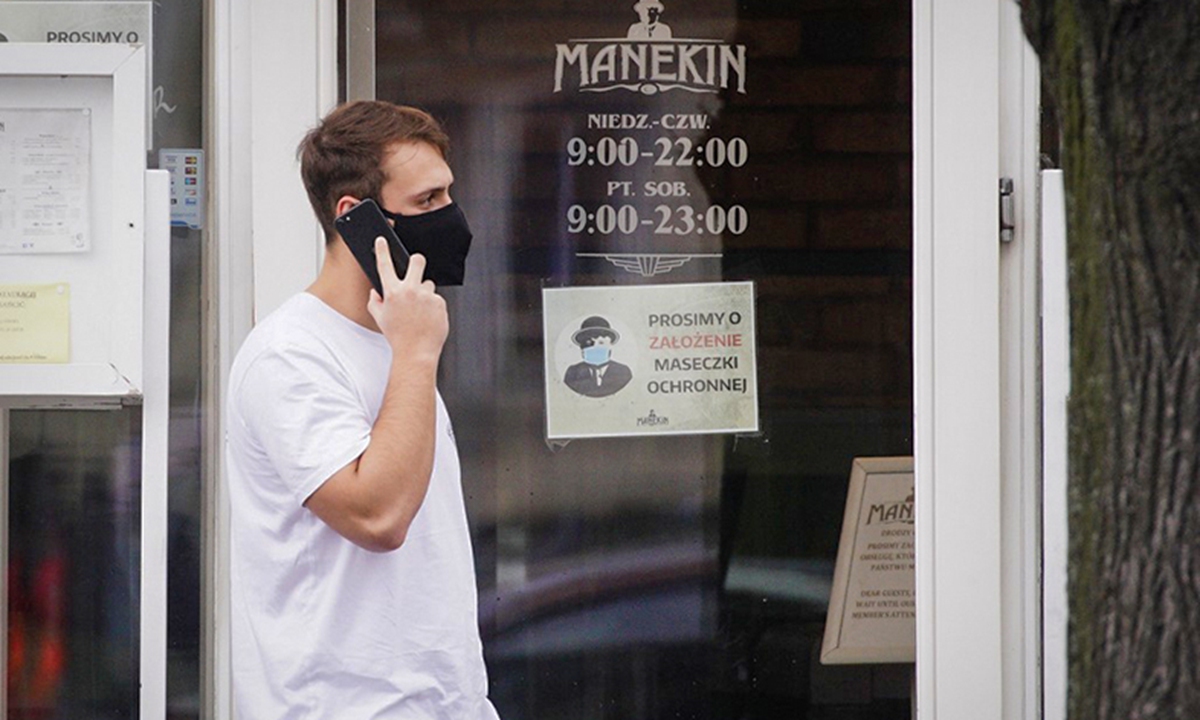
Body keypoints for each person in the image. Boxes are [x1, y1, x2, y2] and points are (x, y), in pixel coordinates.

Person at [225, 100, 500, 719]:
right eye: (427, 202)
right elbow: (378, 518)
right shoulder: (290, 355)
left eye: (447, 195)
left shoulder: (394, 340)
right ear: (358, 217)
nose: (450, 217)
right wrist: (418, 355)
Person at [563, 315, 633, 398]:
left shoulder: (623, 372)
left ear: (610, 345)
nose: (595, 348)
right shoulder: (573, 373)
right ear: (581, 347)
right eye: (589, 343)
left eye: (601, 343)